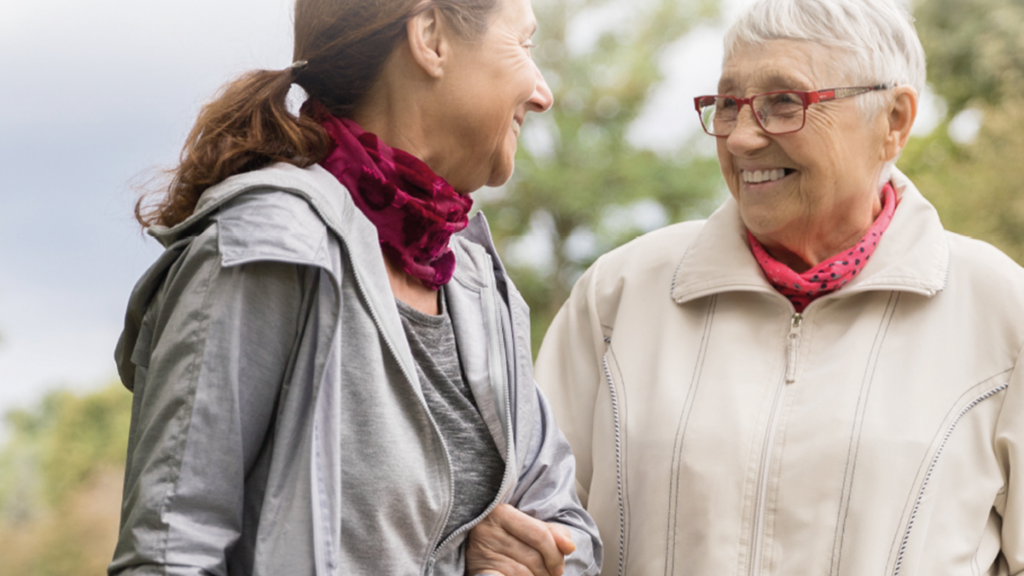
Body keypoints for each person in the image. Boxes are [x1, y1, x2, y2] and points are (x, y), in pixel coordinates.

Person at [109, 0, 601, 574]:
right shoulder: (270, 244)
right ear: (432, 38)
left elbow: (572, 535)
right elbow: (170, 556)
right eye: (524, 44)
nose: (542, 92)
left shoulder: (476, 282)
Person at [535, 0, 1024, 573]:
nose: (741, 138)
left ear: (893, 120)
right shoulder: (618, 297)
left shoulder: (1002, 312)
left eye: (783, 103)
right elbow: (535, 531)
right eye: (728, 105)